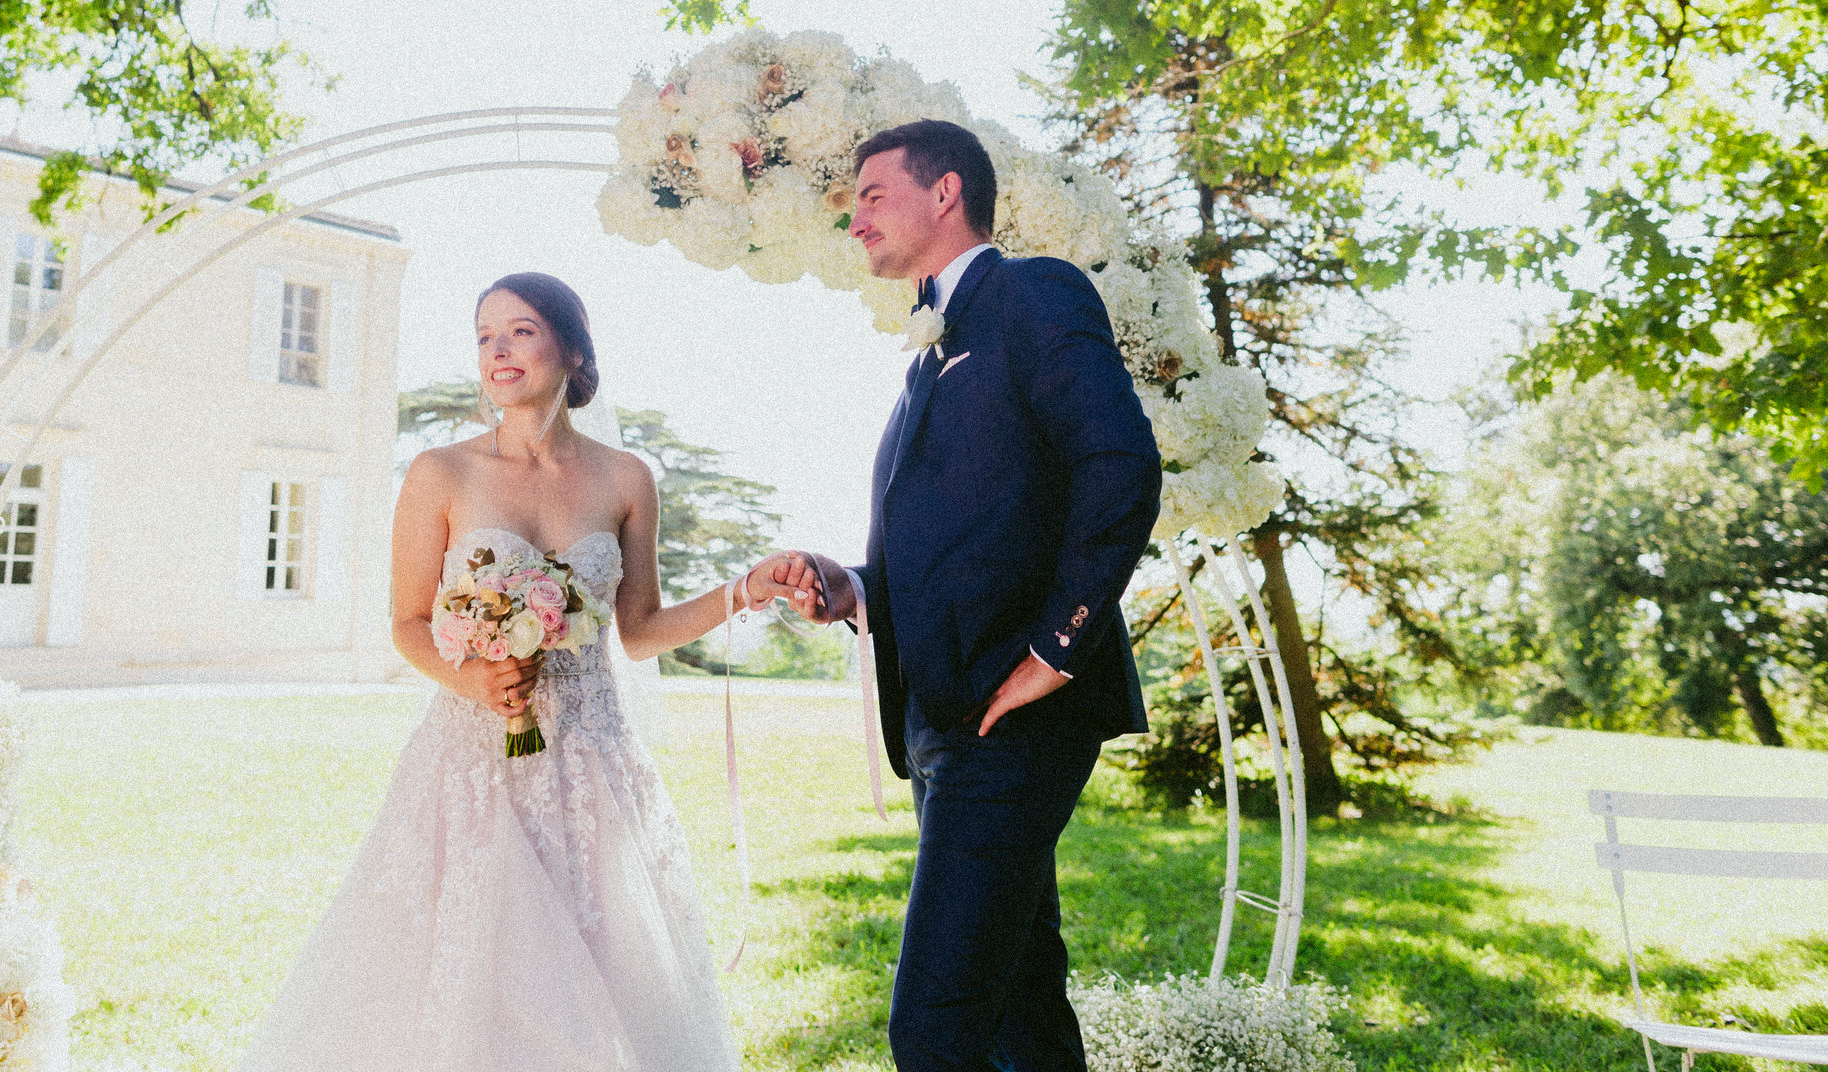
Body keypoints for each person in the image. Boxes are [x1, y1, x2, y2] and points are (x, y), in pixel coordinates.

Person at [239, 271, 802, 1072]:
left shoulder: (626, 478)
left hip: (593, 770)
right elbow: (405, 623)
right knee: (479, 977)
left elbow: (638, 632)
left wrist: (744, 588)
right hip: (474, 768)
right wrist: (470, 679)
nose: (498, 351)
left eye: (522, 331)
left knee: (606, 982)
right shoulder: (441, 473)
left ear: (572, 348)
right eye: (484, 337)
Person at [775, 119, 1163, 1072]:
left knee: (935, 1027)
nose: (854, 220)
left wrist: (1054, 653)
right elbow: (962, 545)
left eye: (871, 197)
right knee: (1021, 1010)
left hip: (1014, 719)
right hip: (941, 724)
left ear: (945, 192)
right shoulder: (924, 353)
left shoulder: (1036, 293)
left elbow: (1120, 467)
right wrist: (851, 587)